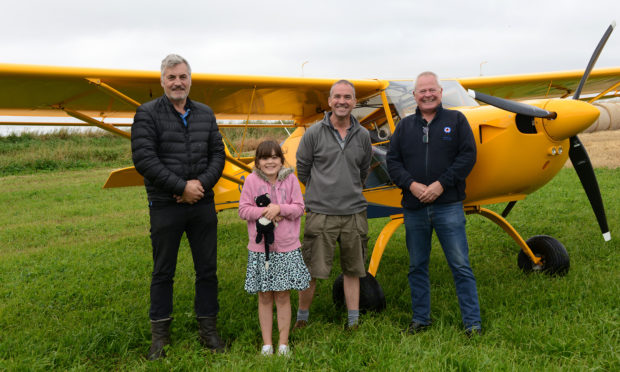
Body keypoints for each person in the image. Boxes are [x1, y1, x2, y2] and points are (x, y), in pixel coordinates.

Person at [131, 54, 226, 360]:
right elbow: (144, 159)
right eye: (171, 77)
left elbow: (217, 154)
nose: (177, 82)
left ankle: (209, 330)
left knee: (207, 270)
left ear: (190, 80)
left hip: (202, 203)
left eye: (182, 76)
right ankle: (160, 337)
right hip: (165, 205)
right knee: (163, 272)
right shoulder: (146, 114)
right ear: (162, 81)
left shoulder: (205, 113)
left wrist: (199, 187)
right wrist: (181, 187)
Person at [386, 71, 482, 336]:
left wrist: (441, 184)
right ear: (415, 96)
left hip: (448, 204)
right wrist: (412, 185)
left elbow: (467, 156)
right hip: (414, 207)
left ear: (440, 93)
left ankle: (472, 323)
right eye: (422, 91)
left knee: (460, 264)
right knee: (417, 265)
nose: (427, 95)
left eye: (432, 90)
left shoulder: (457, 120)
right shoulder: (404, 126)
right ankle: (421, 319)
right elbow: (392, 162)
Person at [294, 80, 372, 330]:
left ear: (354, 102)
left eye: (347, 97)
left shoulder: (363, 135)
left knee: (353, 270)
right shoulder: (314, 133)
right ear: (329, 101)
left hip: (354, 213)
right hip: (321, 213)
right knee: (312, 270)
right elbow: (303, 169)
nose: (342, 101)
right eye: (337, 96)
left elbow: (363, 171)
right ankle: (301, 319)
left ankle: (353, 321)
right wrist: (321, 192)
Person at [239, 140, 310, 356]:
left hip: (286, 248)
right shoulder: (251, 181)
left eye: (274, 157)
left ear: (281, 160)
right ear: (258, 162)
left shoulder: (290, 180)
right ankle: (267, 343)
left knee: (282, 295)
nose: (270, 161)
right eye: (264, 157)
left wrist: (280, 208)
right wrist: (264, 212)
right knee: (264, 295)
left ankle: (283, 343)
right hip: (261, 249)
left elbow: (299, 207)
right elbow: (243, 210)